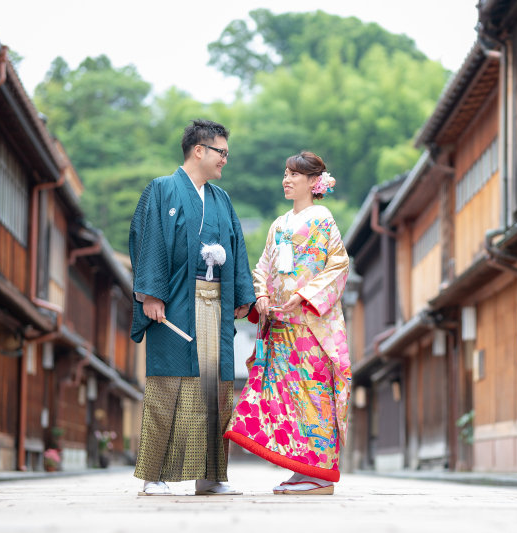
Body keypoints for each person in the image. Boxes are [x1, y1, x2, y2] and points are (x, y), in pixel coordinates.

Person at [129, 119, 256, 496]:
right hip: (174, 302)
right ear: (198, 150)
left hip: (215, 303)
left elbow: (237, 247)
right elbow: (146, 238)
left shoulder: (222, 199)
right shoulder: (162, 190)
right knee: (168, 384)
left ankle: (211, 476)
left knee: (215, 388)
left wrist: (241, 295)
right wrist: (151, 294)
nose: (225, 161)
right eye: (221, 153)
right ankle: (154, 475)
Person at [224, 151, 351, 495]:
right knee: (287, 397)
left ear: (313, 182)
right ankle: (301, 467)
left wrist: (306, 294)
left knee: (313, 394)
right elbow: (264, 265)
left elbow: (338, 266)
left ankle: (321, 474)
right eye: (285, 173)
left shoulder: (323, 219)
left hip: (311, 325)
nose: (287, 179)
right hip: (280, 325)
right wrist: (261, 294)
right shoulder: (279, 224)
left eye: (295, 174)